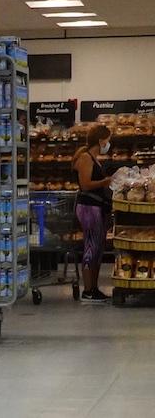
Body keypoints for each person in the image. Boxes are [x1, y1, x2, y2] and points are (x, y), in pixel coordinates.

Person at [73, 124, 113, 304]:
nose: (108, 143)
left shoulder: (94, 158)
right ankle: (88, 290)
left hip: (97, 207)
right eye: (107, 139)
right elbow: (86, 184)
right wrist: (105, 181)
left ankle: (94, 288)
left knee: (97, 249)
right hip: (88, 207)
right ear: (100, 140)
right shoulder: (85, 158)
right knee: (90, 247)